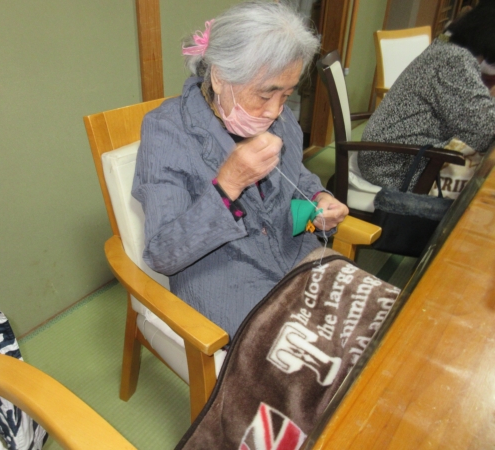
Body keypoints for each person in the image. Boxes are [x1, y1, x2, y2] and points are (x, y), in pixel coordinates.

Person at [132, 1, 348, 338]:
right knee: (314, 355)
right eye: (265, 95)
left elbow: (297, 179)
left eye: (286, 95)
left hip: (295, 257)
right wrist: (227, 185)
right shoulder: (166, 130)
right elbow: (163, 253)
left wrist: (319, 200)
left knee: (376, 327)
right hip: (224, 279)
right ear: (220, 77)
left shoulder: (280, 119)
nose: (275, 111)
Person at [358, 2, 495, 190]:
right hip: (394, 165)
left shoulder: (447, 47)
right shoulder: (454, 60)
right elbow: (485, 134)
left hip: (391, 153)